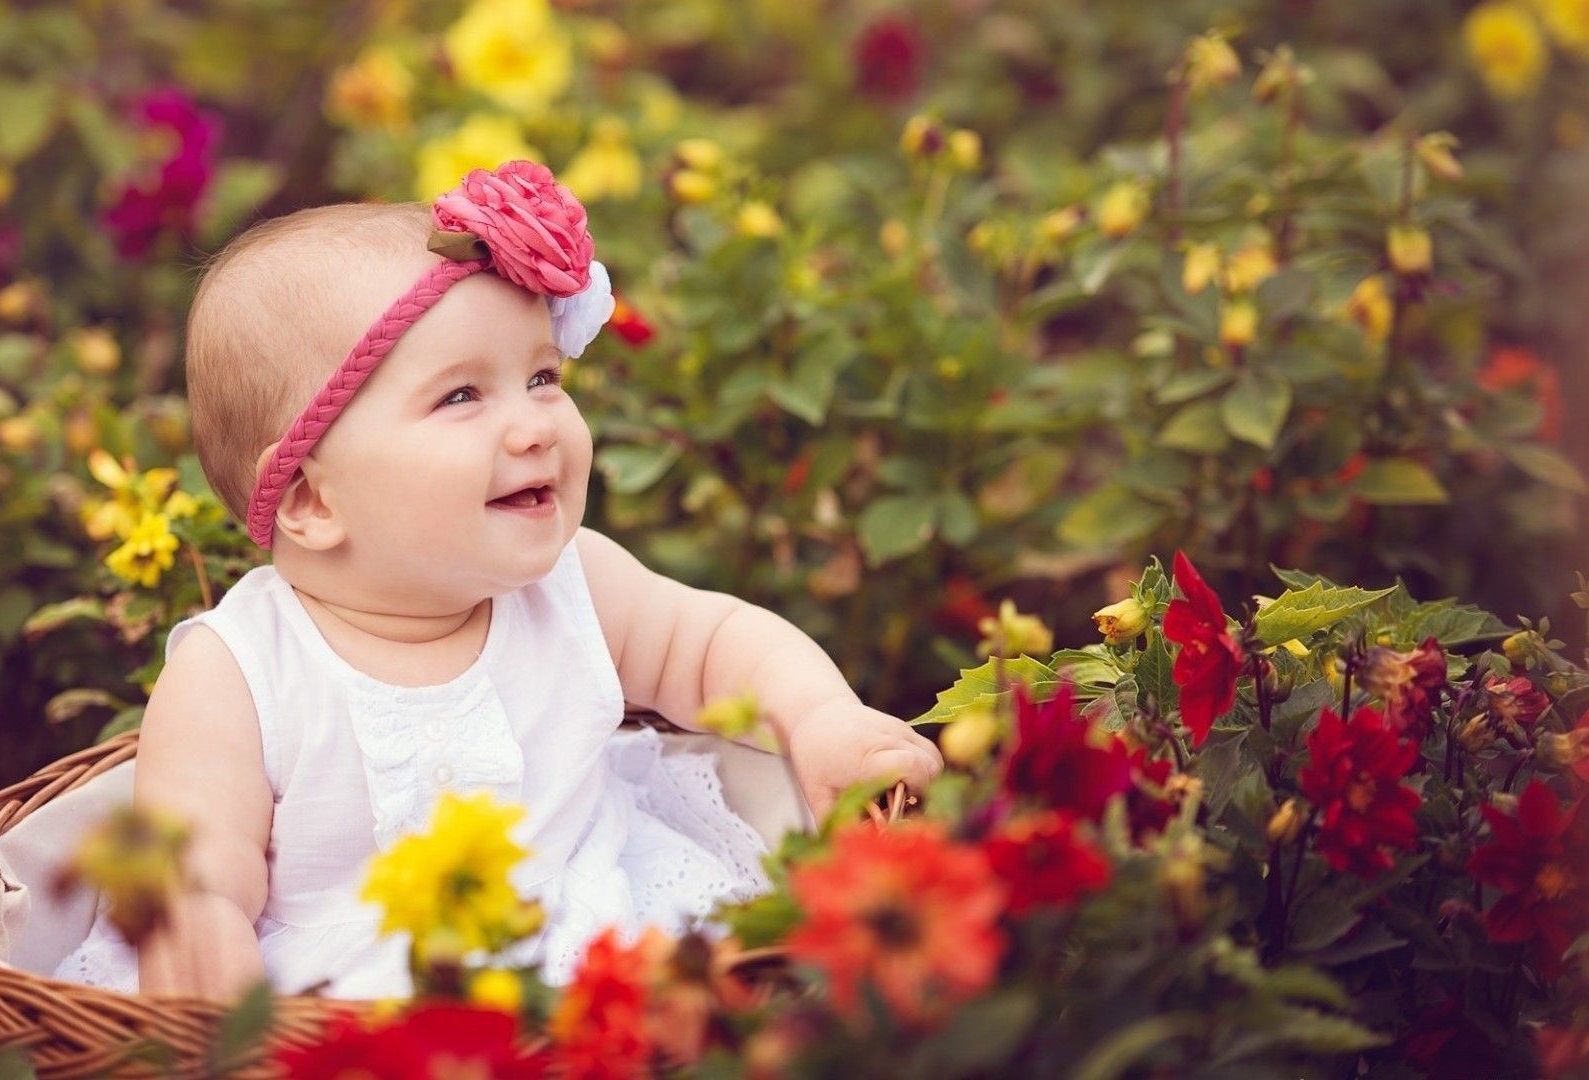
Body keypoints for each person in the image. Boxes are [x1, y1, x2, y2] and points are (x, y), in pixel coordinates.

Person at [53, 161, 943, 1001]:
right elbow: (194, 846)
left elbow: (712, 643)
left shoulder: (570, 582)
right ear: (313, 501)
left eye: (544, 377)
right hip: (354, 993)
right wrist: (200, 922)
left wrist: (820, 717)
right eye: (461, 397)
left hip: (598, 931)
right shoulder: (238, 668)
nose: (534, 427)